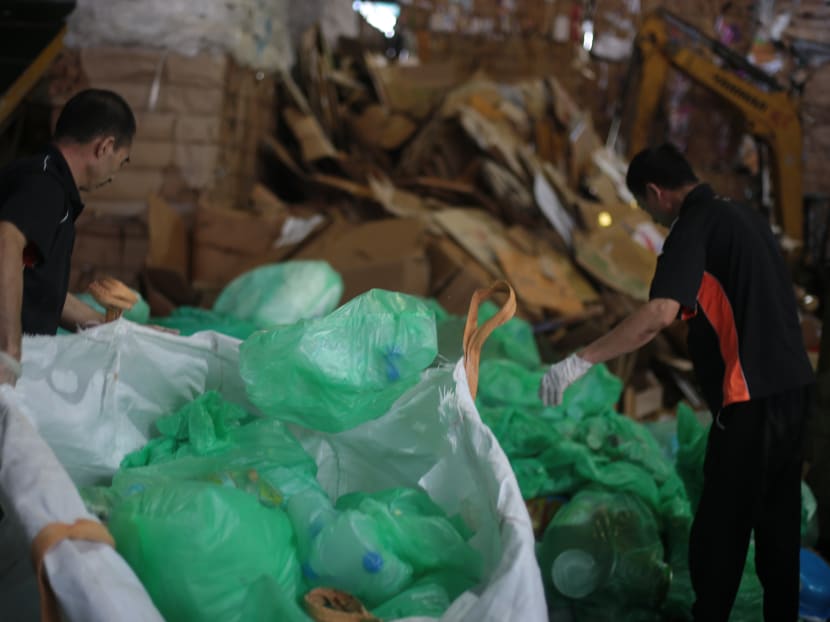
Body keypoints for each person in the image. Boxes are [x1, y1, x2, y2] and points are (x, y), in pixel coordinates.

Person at [539, 143, 813, 620]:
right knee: (778, 531)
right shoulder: (745, 218)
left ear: (656, 193)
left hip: (750, 402)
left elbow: (658, 315)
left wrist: (581, 360)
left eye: (646, 206)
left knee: (719, 534)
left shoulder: (694, 226)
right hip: (794, 392)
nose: (652, 215)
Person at [0, 89, 135, 386]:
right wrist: (8, 350)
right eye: (122, 161)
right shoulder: (44, 186)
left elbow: (39, 289)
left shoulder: (49, 185)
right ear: (105, 147)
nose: (114, 175)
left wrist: (113, 331)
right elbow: (5, 243)